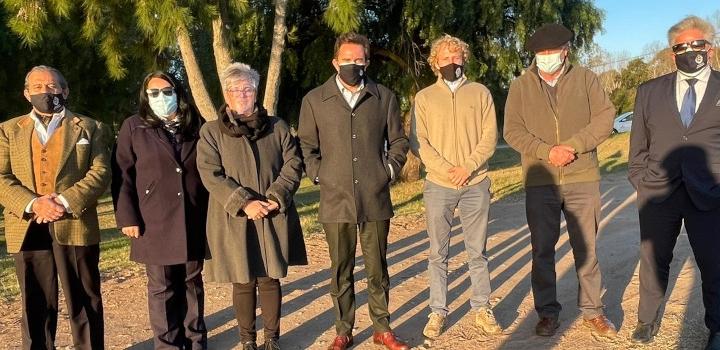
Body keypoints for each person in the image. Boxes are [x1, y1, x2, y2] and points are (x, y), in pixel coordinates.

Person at [503, 23, 617, 338]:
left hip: (582, 177)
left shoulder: (586, 78)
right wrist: (546, 151)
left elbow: (605, 117)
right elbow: (512, 130)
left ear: (566, 51)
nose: (547, 57)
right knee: (542, 250)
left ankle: (593, 311)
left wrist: (574, 146)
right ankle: (547, 313)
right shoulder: (520, 87)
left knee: (587, 249)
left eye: (552, 51)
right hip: (541, 181)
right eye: (541, 53)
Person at [297, 32, 410, 350]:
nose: (352, 65)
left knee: (378, 269)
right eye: (346, 59)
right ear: (335, 62)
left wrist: (388, 170)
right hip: (335, 199)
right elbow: (306, 146)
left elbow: (399, 141)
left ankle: (382, 328)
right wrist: (320, 175)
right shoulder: (314, 100)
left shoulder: (383, 97)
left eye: (359, 60)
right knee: (340, 270)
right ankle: (343, 329)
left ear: (367, 62)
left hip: (374, 197)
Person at [196, 62, 307, 350]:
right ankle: (247, 339)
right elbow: (210, 173)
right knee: (243, 280)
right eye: (236, 89)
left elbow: (293, 164)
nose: (243, 94)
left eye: (248, 88)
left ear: (256, 92)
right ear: (226, 93)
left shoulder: (277, 127)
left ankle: (272, 337)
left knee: (270, 277)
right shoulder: (211, 132)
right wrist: (244, 203)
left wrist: (275, 196)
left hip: (272, 213)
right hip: (235, 218)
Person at [0, 65, 111, 349]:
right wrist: (34, 203)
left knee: (84, 299)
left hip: (74, 221)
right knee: (34, 303)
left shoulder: (90, 127)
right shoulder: (8, 130)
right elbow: (1, 177)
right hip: (28, 224)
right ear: (26, 94)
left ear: (65, 90)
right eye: (37, 87)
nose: (45, 92)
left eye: (51, 86)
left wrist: (62, 201)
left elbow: (100, 173)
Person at [628, 16, 720, 349]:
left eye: (697, 44)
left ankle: (718, 327)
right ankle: (647, 320)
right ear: (672, 53)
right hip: (658, 193)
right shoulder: (649, 91)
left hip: (711, 194)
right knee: (653, 260)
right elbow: (638, 145)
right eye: (681, 46)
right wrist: (640, 181)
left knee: (714, 262)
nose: (689, 51)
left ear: (709, 48)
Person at [409, 34, 500, 340]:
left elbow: (490, 137)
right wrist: (447, 170)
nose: (452, 62)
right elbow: (419, 142)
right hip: (438, 185)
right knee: (438, 253)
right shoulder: (423, 99)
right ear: (435, 62)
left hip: (475, 183)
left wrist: (468, 167)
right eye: (445, 57)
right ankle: (437, 311)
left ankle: (482, 307)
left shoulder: (480, 93)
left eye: (457, 56)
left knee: (478, 252)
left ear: (465, 59)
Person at [112, 71, 208, 349]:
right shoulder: (134, 127)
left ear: (178, 93)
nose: (161, 98)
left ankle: (196, 341)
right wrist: (127, 217)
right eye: (153, 93)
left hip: (192, 216)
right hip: (153, 221)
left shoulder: (195, 125)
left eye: (167, 91)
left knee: (192, 284)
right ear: (145, 97)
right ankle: (168, 344)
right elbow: (122, 175)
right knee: (162, 288)